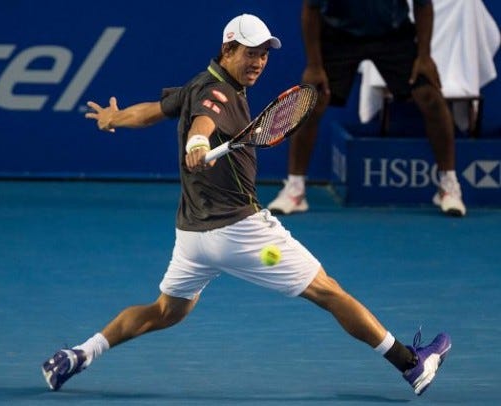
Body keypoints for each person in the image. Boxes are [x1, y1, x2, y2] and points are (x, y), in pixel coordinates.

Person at [41, 13, 451, 395]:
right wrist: (199, 141)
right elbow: (204, 120)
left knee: (165, 311)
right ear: (227, 50)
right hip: (241, 231)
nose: (258, 62)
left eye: (264, 54)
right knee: (329, 292)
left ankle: (78, 354)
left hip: (192, 237)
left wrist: (116, 118)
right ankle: (411, 363)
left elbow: (155, 111)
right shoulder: (217, 93)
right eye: (250, 53)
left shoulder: (201, 83)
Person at [267, 0, 467, 217]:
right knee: (311, 100)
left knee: (429, 96)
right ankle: (295, 189)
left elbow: (423, 4)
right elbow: (311, 8)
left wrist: (425, 56)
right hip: (339, 35)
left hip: (393, 35)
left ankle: (448, 185)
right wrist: (314, 66)